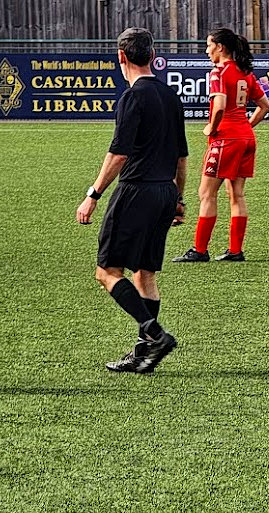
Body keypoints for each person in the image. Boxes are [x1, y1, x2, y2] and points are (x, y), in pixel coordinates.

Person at [76, 27, 187, 374]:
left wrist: (93, 194)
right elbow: (182, 157)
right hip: (165, 192)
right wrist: (179, 200)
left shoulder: (132, 97)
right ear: (152, 56)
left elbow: (119, 154)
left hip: (136, 190)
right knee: (146, 275)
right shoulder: (171, 96)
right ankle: (144, 356)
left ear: (121, 57)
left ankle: (154, 335)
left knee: (107, 272)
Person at [173, 27, 269, 263]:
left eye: (209, 45)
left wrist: (212, 128)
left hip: (226, 138)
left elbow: (219, 105)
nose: (207, 51)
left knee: (206, 193)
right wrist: (245, 127)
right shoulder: (245, 72)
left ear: (220, 47)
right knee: (236, 194)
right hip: (246, 138)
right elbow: (265, 105)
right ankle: (235, 251)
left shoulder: (218, 72)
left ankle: (200, 250)